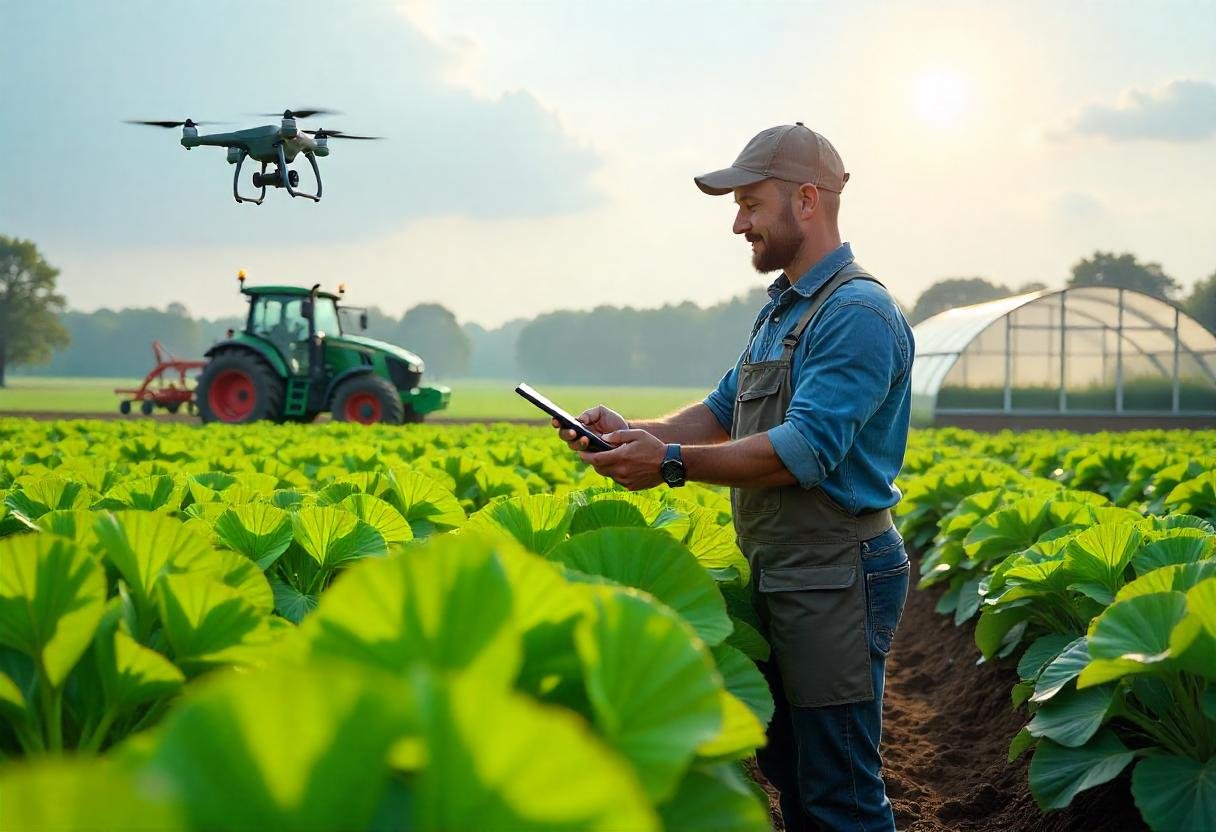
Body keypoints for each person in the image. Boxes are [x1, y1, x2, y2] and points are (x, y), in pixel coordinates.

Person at [555, 123, 914, 831]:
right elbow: (721, 413)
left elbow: (798, 450)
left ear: (806, 201)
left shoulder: (857, 314)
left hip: (836, 574)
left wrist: (668, 465)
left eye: (750, 204)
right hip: (782, 569)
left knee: (839, 786)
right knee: (793, 774)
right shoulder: (786, 310)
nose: (738, 223)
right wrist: (631, 431)